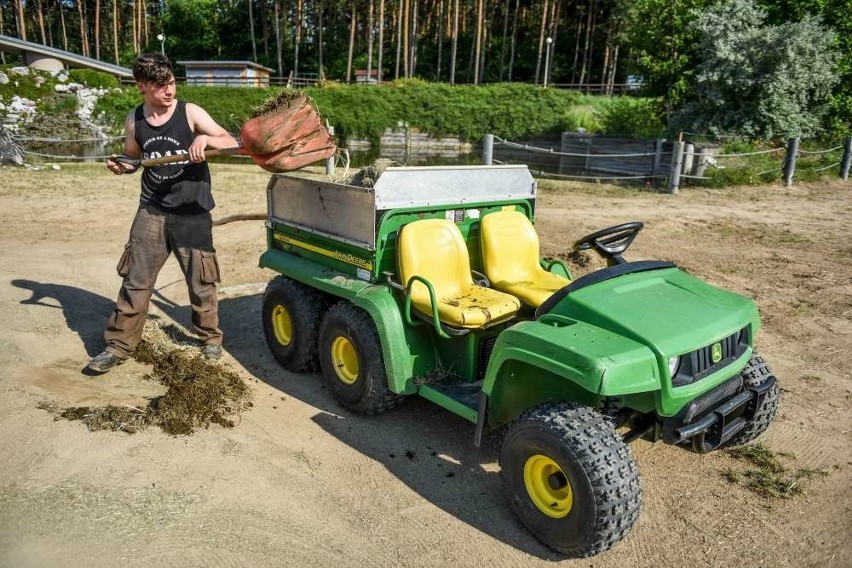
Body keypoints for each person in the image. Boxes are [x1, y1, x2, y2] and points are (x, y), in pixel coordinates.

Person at [87, 53, 238, 373]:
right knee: (135, 280)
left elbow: (231, 141)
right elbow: (133, 158)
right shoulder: (135, 120)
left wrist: (206, 137)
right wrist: (122, 166)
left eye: (171, 82)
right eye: (160, 86)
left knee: (201, 282)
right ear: (142, 86)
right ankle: (118, 345)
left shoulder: (190, 112)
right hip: (151, 210)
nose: (170, 90)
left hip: (192, 212)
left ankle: (210, 339)